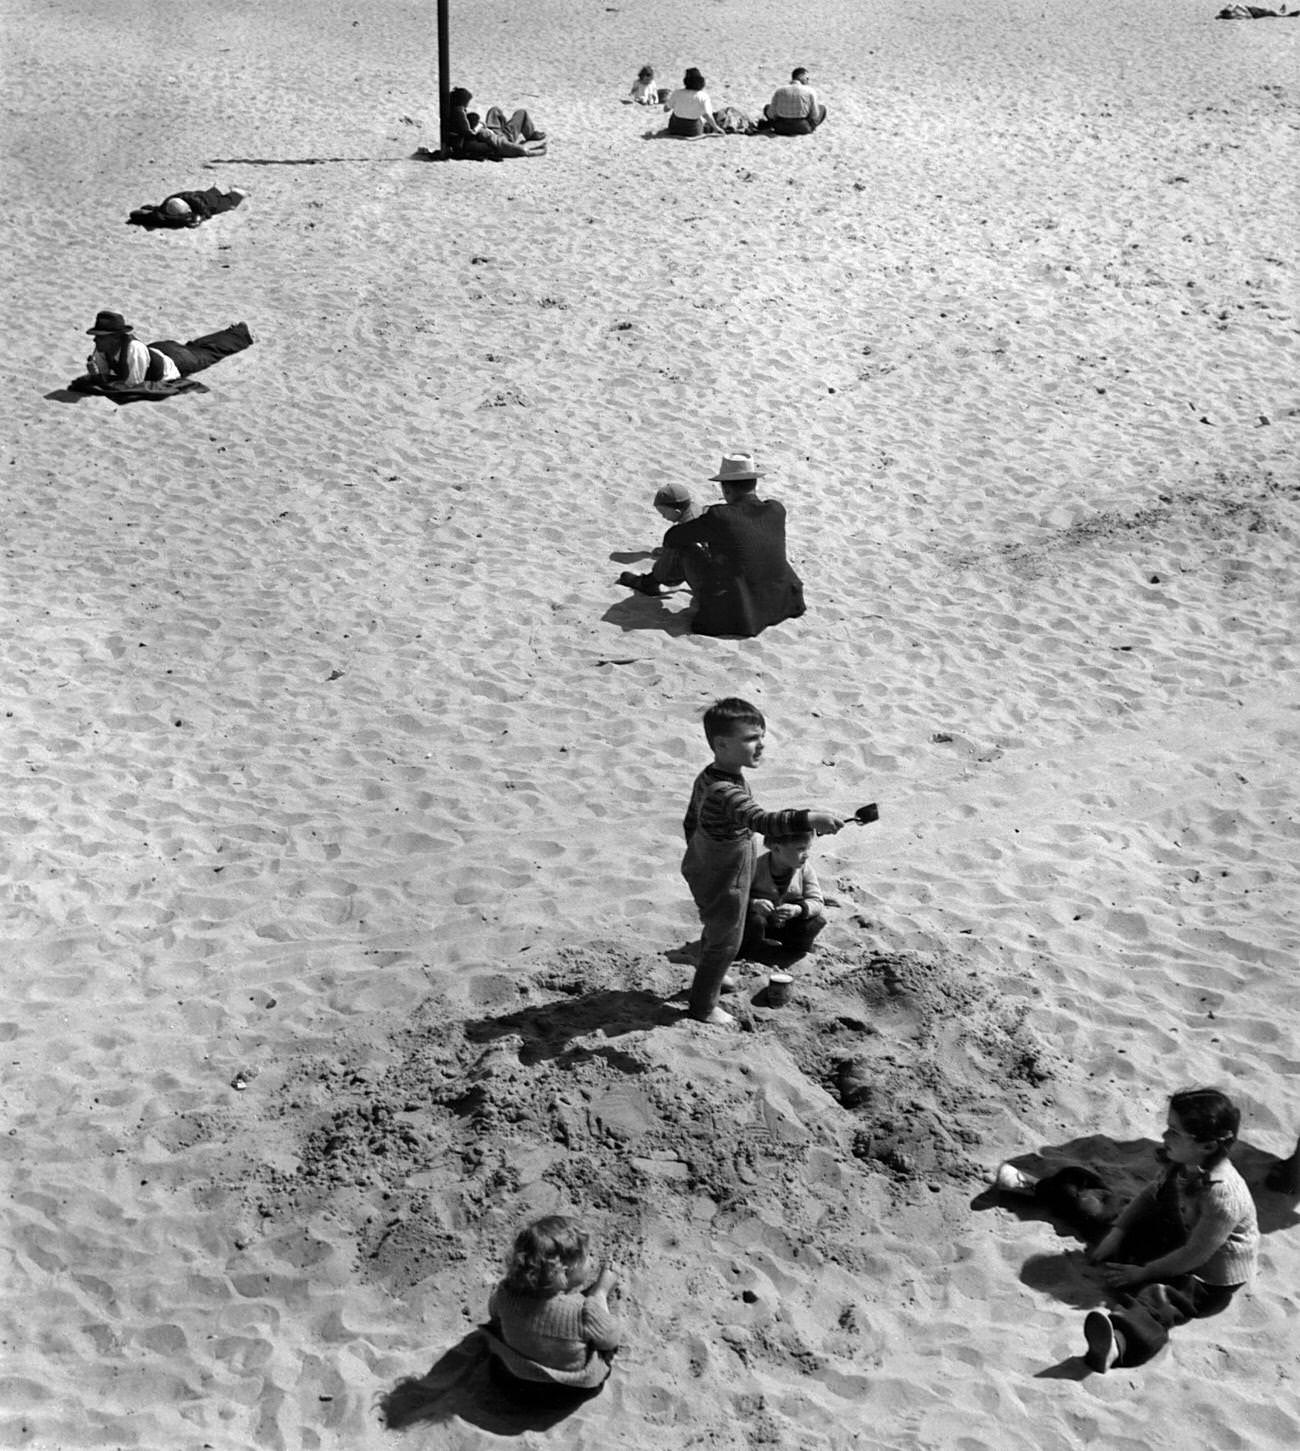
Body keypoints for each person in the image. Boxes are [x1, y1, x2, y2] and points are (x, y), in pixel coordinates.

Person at [995, 1088, 1260, 1373]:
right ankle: (1043, 1189)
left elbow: (1194, 1255)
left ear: (1207, 1146)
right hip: (1172, 1232)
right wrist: (1118, 1232)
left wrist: (1144, 1273)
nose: (1164, 1136)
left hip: (1206, 1274)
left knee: (1161, 1298)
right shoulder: (1183, 1162)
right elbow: (1149, 1196)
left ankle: (1116, 1344)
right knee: (1099, 1205)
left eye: (1174, 1131)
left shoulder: (1224, 1197)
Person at [680, 698, 844, 1025]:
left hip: (711, 864)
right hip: (721, 873)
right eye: (751, 738)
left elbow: (690, 821)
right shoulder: (723, 791)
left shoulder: (718, 776)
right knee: (727, 939)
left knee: (719, 926)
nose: (761, 744)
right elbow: (762, 821)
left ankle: (712, 972)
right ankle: (703, 1007)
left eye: (762, 736)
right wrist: (809, 818)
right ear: (722, 744)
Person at [659, 453, 806, 637]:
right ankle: (653, 580)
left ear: (726, 489)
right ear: (754, 484)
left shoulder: (720, 516)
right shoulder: (776, 509)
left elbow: (673, 537)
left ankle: (652, 581)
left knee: (685, 548)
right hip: (780, 603)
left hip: (738, 615)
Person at [482, 1215, 622, 1407]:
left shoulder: (506, 1294)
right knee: (604, 1348)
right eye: (587, 1256)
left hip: (513, 1382)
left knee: (498, 1332)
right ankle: (600, 1291)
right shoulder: (582, 1313)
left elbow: (494, 1314)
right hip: (567, 1391)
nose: (592, 1260)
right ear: (564, 1272)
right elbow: (611, 1339)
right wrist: (600, 1292)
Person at [69, 311, 253, 393]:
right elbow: (104, 374)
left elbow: (132, 383)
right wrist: (95, 374)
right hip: (159, 349)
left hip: (173, 361)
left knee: (207, 354)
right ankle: (234, 332)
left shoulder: (133, 349)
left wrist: (102, 379)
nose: (95, 340)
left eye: (100, 337)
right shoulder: (103, 348)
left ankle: (241, 334)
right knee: (195, 346)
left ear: (115, 338)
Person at [742, 829, 827, 962]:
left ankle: (793, 951)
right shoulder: (755, 868)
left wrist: (797, 910)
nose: (806, 855)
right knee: (754, 922)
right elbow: (733, 897)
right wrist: (753, 903)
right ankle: (753, 953)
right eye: (801, 849)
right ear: (776, 848)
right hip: (761, 924)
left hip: (788, 924)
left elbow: (817, 901)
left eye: (808, 849)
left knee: (817, 922)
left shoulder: (804, 868)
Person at [618, 481, 704, 597]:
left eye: (664, 513)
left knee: (679, 551)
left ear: (677, 511)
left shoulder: (688, 527)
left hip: (709, 588)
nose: (663, 517)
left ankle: (648, 583)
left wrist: (668, 553)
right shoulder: (697, 510)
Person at [447, 87, 546, 159]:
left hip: (493, 131)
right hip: (501, 136)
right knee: (522, 113)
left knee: (494, 110)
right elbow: (517, 149)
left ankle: (506, 128)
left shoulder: (456, 114)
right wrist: (480, 125)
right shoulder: (481, 134)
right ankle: (530, 133)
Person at [127, 186, 246, 229]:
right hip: (197, 198)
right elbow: (152, 213)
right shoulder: (167, 206)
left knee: (223, 205)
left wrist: (202, 217)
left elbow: (206, 213)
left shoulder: (194, 201)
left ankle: (236, 193)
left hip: (205, 201)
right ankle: (219, 191)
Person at [763, 67, 826, 135]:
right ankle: (811, 128)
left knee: (767, 107)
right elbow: (815, 115)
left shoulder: (779, 90)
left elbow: (771, 114)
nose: (808, 80)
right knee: (822, 108)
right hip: (803, 127)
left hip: (780, 127)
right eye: (807, 78)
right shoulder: (810, 91)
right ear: (800, 76)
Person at [664, 68, 722, 137]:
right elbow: (707, 115)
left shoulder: (677, 93)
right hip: (693, 131)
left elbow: (666, 109)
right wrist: (716, 128)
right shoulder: (703, 96)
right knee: (701, 116)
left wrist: (669, 101)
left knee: (675, 113)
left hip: (674, 129)